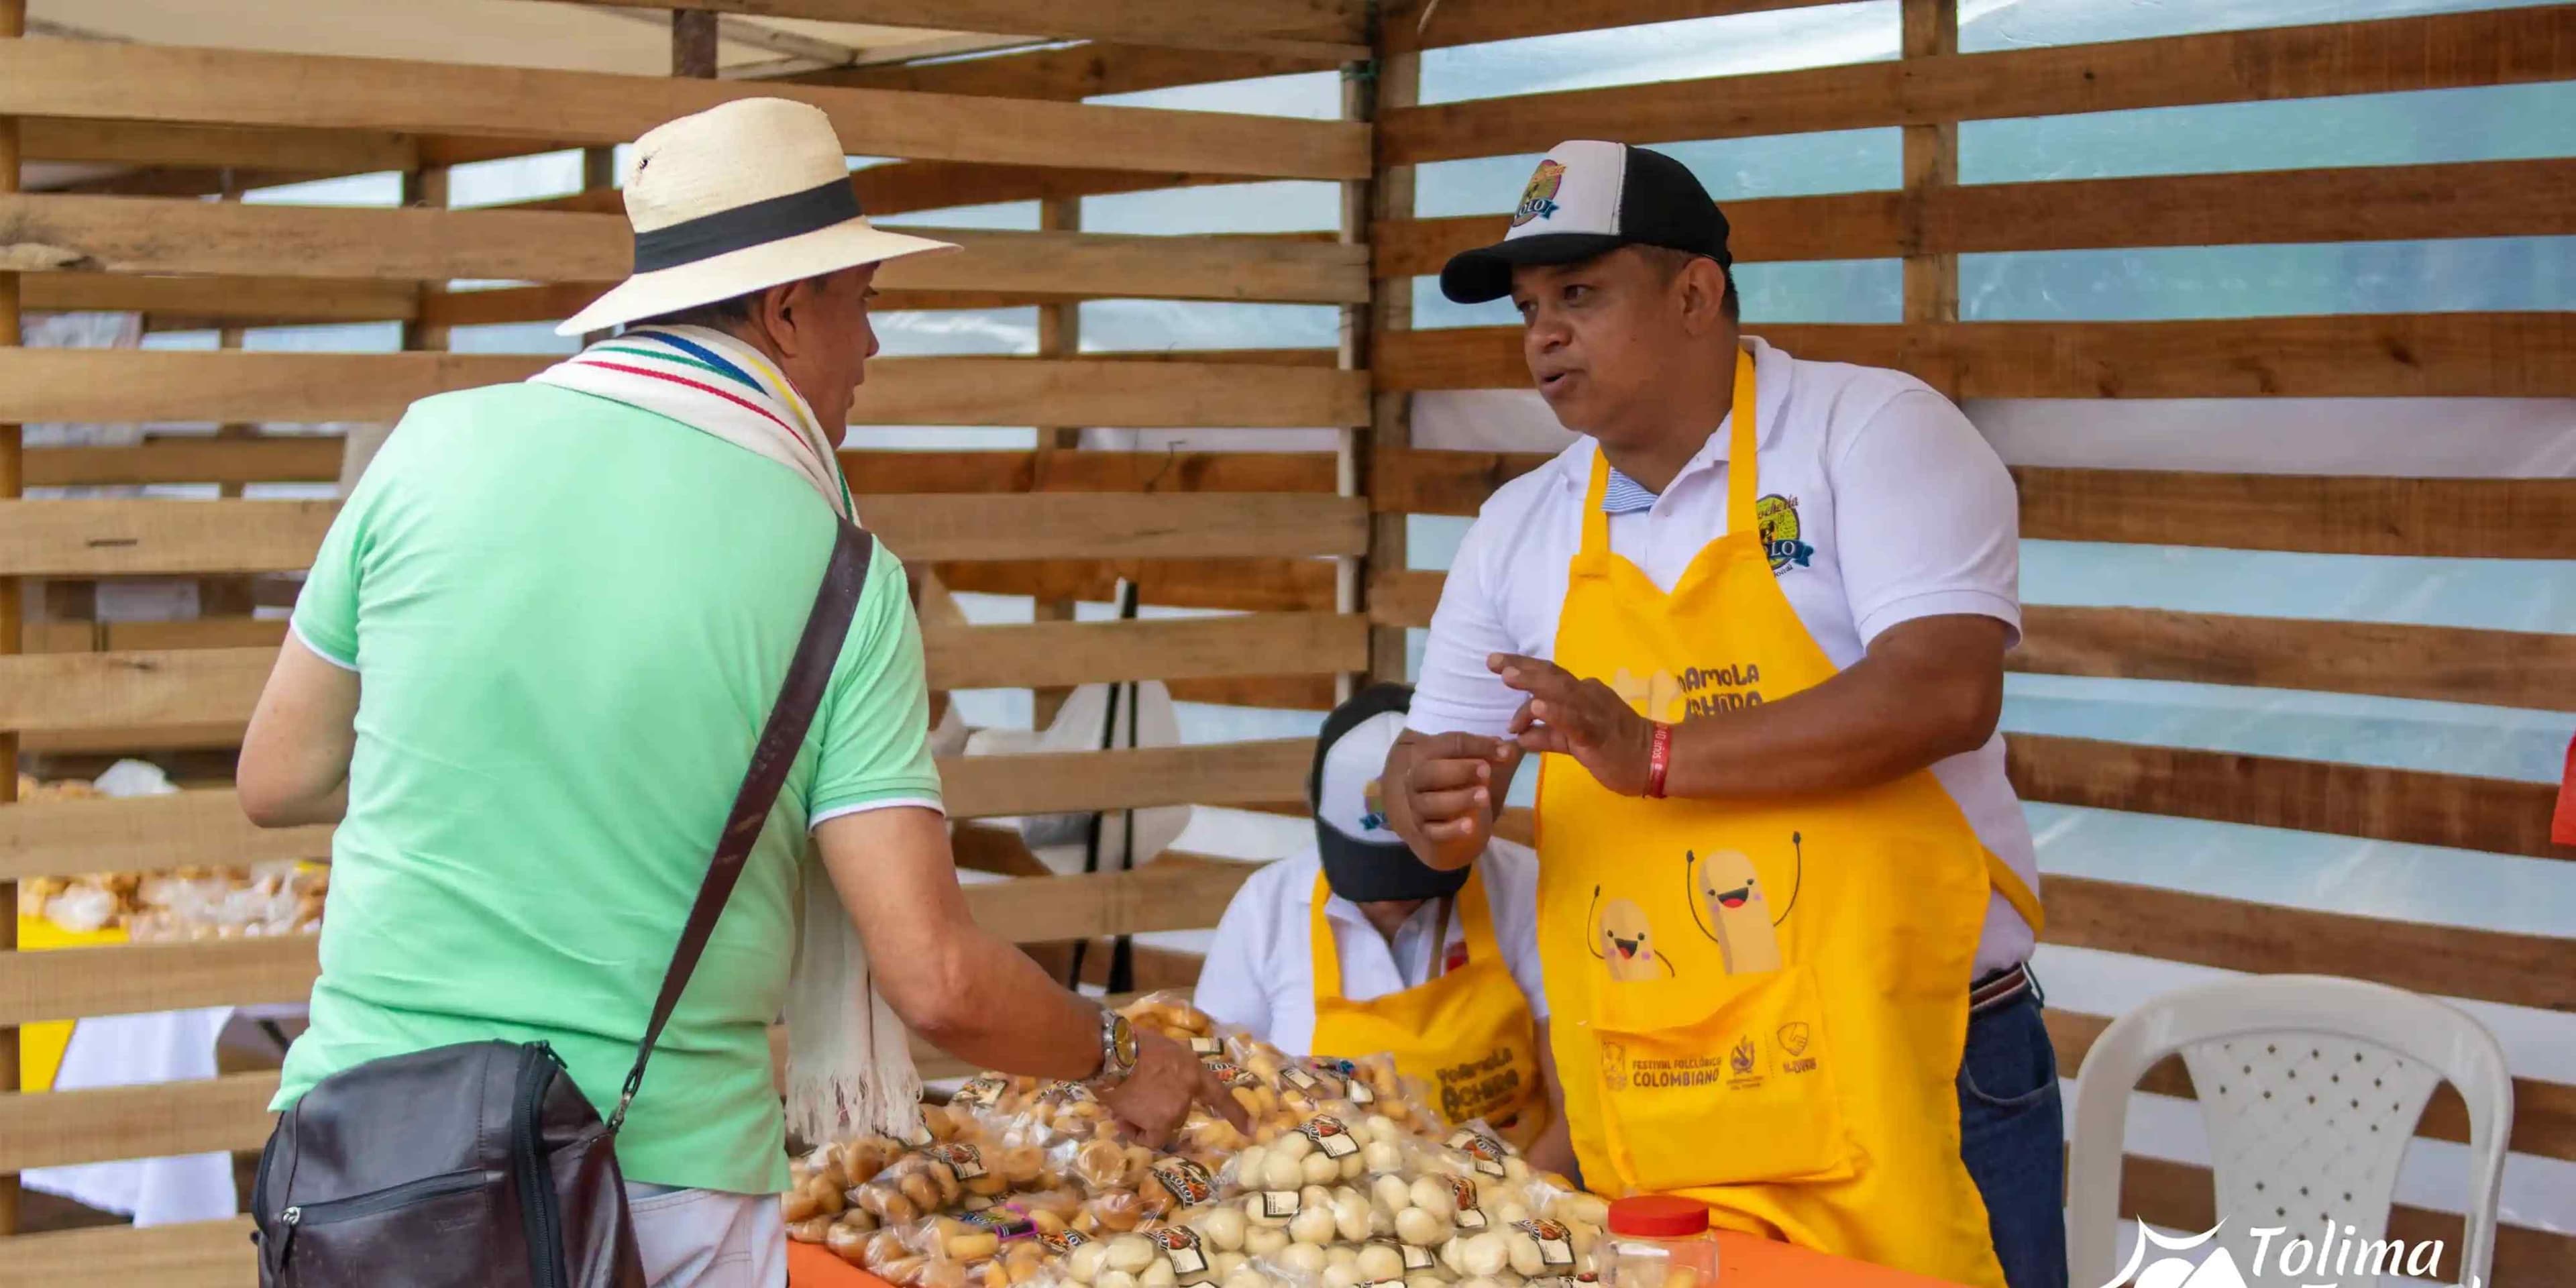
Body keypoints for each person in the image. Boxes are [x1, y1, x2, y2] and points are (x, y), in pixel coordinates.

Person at [237, 98, 1240, 1288]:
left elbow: (277, 778)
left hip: (368, 1167)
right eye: (863, 301)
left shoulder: (427, 446)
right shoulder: (840, 572)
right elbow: (938, 980)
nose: (871, 346)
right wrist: (1124, 1054)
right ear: (784, 308)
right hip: (651, 1195)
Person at [1379, 141, 2061, 1288]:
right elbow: (1429, 761)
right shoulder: (1518, 526)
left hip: (1915, 1065)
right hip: (1656, 1093)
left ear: (1696, 293)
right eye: (1531, 308)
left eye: (1580, 295)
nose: (1543, 334)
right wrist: (1423, 802)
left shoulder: (1870, 433)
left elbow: (1944, 688)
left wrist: (1651, 751)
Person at [1195, 685, 1575, 1176]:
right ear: (1314, 813)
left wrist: (1517, 1215)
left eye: (1421, 867)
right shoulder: (1266, 910)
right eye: (1371, 875)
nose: (1395, 899)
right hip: (1324, 1218)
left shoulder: (1523, 886)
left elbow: (1580, 1107)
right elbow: (1215, 1102)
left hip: (1519, 1198)